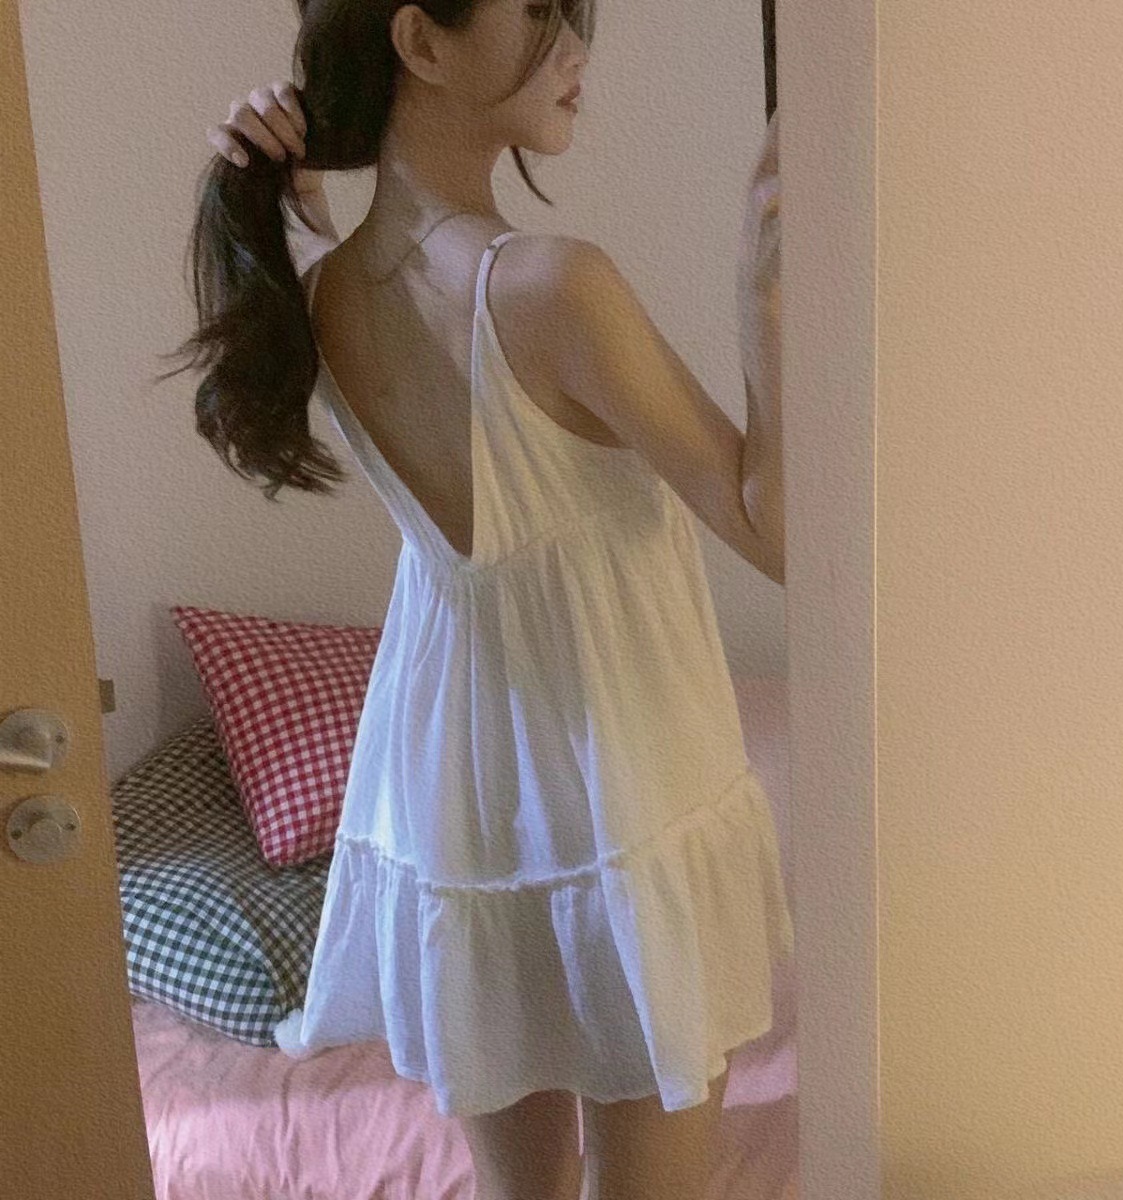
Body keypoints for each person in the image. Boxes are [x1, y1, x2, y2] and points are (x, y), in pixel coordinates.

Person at [174, 3, 786, 1198]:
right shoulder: (554, 287)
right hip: (614, 785)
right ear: (421, 41)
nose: (577, 52)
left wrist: (285, 182)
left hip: (459, 801)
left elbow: (344, 245)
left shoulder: (324, 291)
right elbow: (777, 535)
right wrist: (763, 309)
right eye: (543, 15)